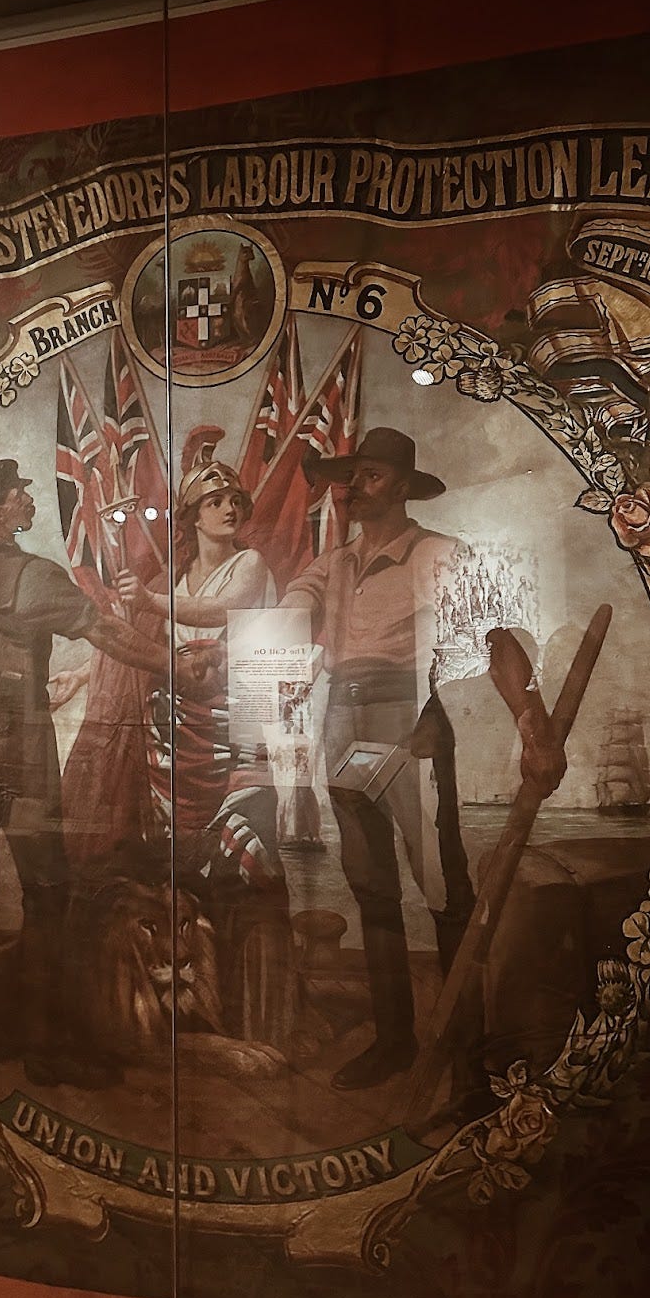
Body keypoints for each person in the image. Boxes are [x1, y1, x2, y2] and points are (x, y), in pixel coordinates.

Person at [0, 457, 209, 1081]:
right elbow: (111, 636)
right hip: (22, 741)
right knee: (46, 889)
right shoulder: (32, 576)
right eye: (20, 495)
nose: (29, 501)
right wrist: (173, 662)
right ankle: (45, 1046)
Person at [279, 427, 477, 1091]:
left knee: (443, 889)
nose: (352, 489)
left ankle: (467, 1052)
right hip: (343, 719)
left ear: (396, 482)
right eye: (351, 477)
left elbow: (494, 634)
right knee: (371, 887)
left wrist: (529, 719)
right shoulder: (332, 564)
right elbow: (287, 613)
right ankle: (395, 1042)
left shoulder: (440, 553)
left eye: (366, 476)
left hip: (410, 718)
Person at [115, 430, 297, 1051]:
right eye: (214, 501)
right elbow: (146, 647)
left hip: (239, 731)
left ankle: (261, 1017)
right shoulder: (173, 575)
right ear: (191, 516)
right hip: (172, 741)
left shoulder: (249, 567)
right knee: (180, 873)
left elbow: (215, 614)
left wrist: (149, 599)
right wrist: (83, 669)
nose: (229, 509)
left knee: (244, 864)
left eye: (234, 501)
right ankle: (191, 1015)